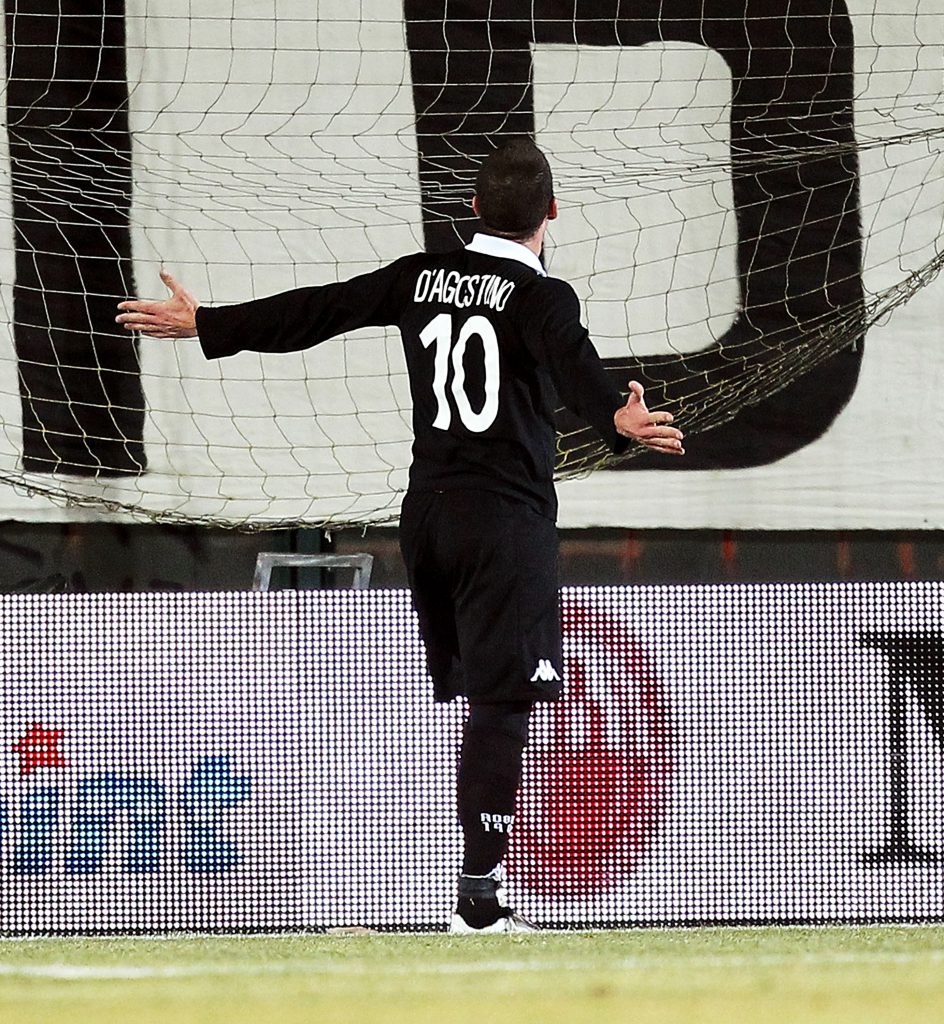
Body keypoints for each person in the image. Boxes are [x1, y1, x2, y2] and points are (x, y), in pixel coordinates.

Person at [117, 139, 684, 933]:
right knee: (504, 702)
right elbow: (575, 362)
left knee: (482, 697)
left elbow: (319, 308)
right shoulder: (543, 298)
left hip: (427, 517)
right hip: (503, 518)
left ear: (473, 210)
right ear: (552, 212)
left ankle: (468, 896)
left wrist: (209, 322)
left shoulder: (421, 275)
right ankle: (479, 905)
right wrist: (615, 419)